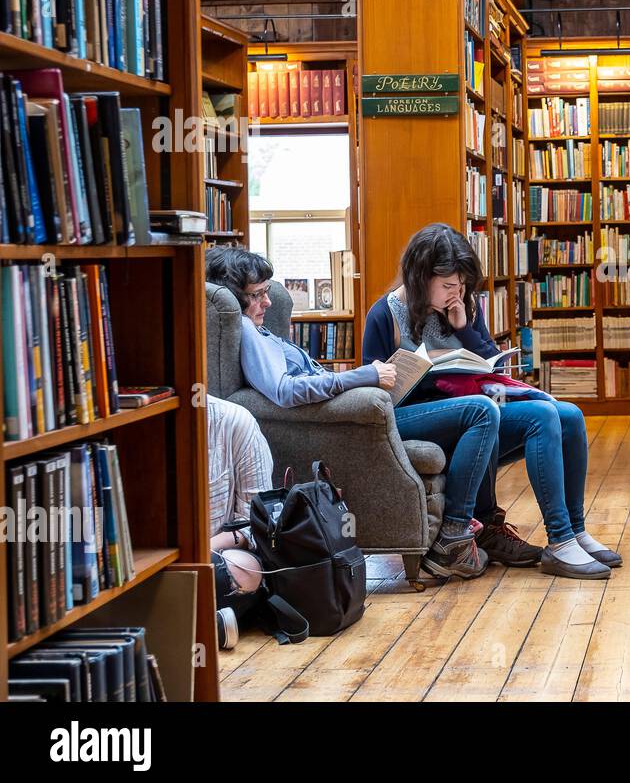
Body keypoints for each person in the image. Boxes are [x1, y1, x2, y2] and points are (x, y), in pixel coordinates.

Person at [205, 246, 496, 581]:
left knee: (483, 412)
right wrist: (365, 375)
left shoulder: (258, 330)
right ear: (234, 298)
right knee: (481, 411)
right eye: (257, 295)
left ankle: (473, 526)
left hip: (357, 412)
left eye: (267, 292)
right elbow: (285, 390)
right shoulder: (248, 331)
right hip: (343, 424)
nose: (267, 303)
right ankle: (454, 536)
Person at [361, 224, 622, 580]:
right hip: (413, 416)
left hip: (473, 411)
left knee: (568, 415)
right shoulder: (385, 315)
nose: (458, 293)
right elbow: (372, 399)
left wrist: (464, 327)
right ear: (421, 276)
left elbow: (491, 365)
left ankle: (574, 532)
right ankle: (558, 541)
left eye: (463, 285)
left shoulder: (461, 306)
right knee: (535, 415)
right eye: (449, 285)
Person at [207, 394, 272, 649]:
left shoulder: (234, 421)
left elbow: (255, 523)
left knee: (246, 571)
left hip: (217, 555)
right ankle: (207, 626)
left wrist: (204, 548)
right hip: (151, 564)